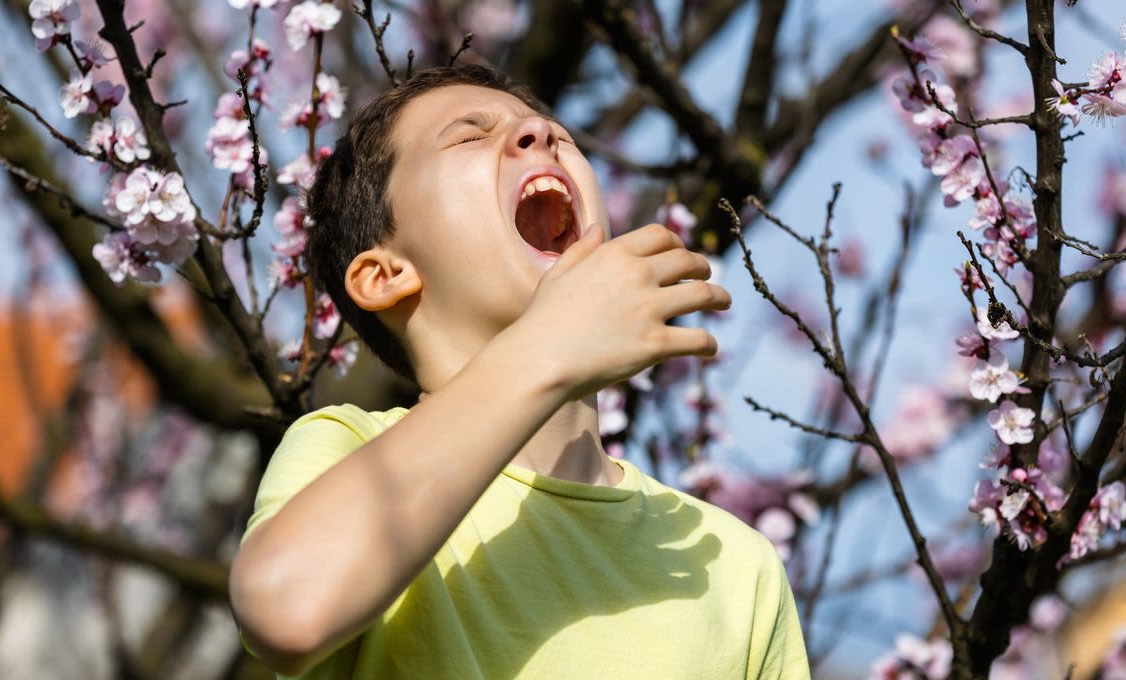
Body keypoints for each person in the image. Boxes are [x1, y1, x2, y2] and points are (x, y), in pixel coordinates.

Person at [228, 64, 810, 680]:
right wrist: (548, 348)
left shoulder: (736, 566)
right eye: (468, 136)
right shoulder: (348, 453)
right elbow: (285, 608)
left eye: (559, 133)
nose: (540, 132)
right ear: (386, 274)